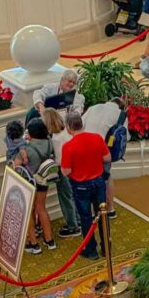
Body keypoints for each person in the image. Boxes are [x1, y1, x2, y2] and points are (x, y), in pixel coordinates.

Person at [60, 113, 110, 260]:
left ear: (69, 127)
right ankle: (106, 248)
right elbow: (107, 158)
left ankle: (91, 250)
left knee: (86, 218)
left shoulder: (68, 146)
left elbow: (65, 171)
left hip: (81, 185)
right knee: (102, 214)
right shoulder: (96, 138)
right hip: (99, 182)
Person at [12, 118, 56, 254]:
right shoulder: (49, 142)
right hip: (44, 180)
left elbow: (15, 166)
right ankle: (50, 240)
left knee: (28, 213)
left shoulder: (27, 149)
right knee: (41, 208)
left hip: (29, 183)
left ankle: (34, 244)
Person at [82, 98, 126, 220]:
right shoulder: (121, 115)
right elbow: (126, 136)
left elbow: (81, 125)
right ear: (121, 107)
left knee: (88, 179)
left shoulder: (93, 108)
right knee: (106, 177)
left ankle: (92, 210)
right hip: (104, 151)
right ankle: (110, 209)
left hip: (86, 148)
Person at [42, 109, 80, 239]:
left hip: (63, 170)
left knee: (66, 198)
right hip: (75, 167)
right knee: (74, 196)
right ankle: (77, 220)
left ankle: (72, 226)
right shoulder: (66, 132)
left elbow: (59, 160)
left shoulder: (55, 139)